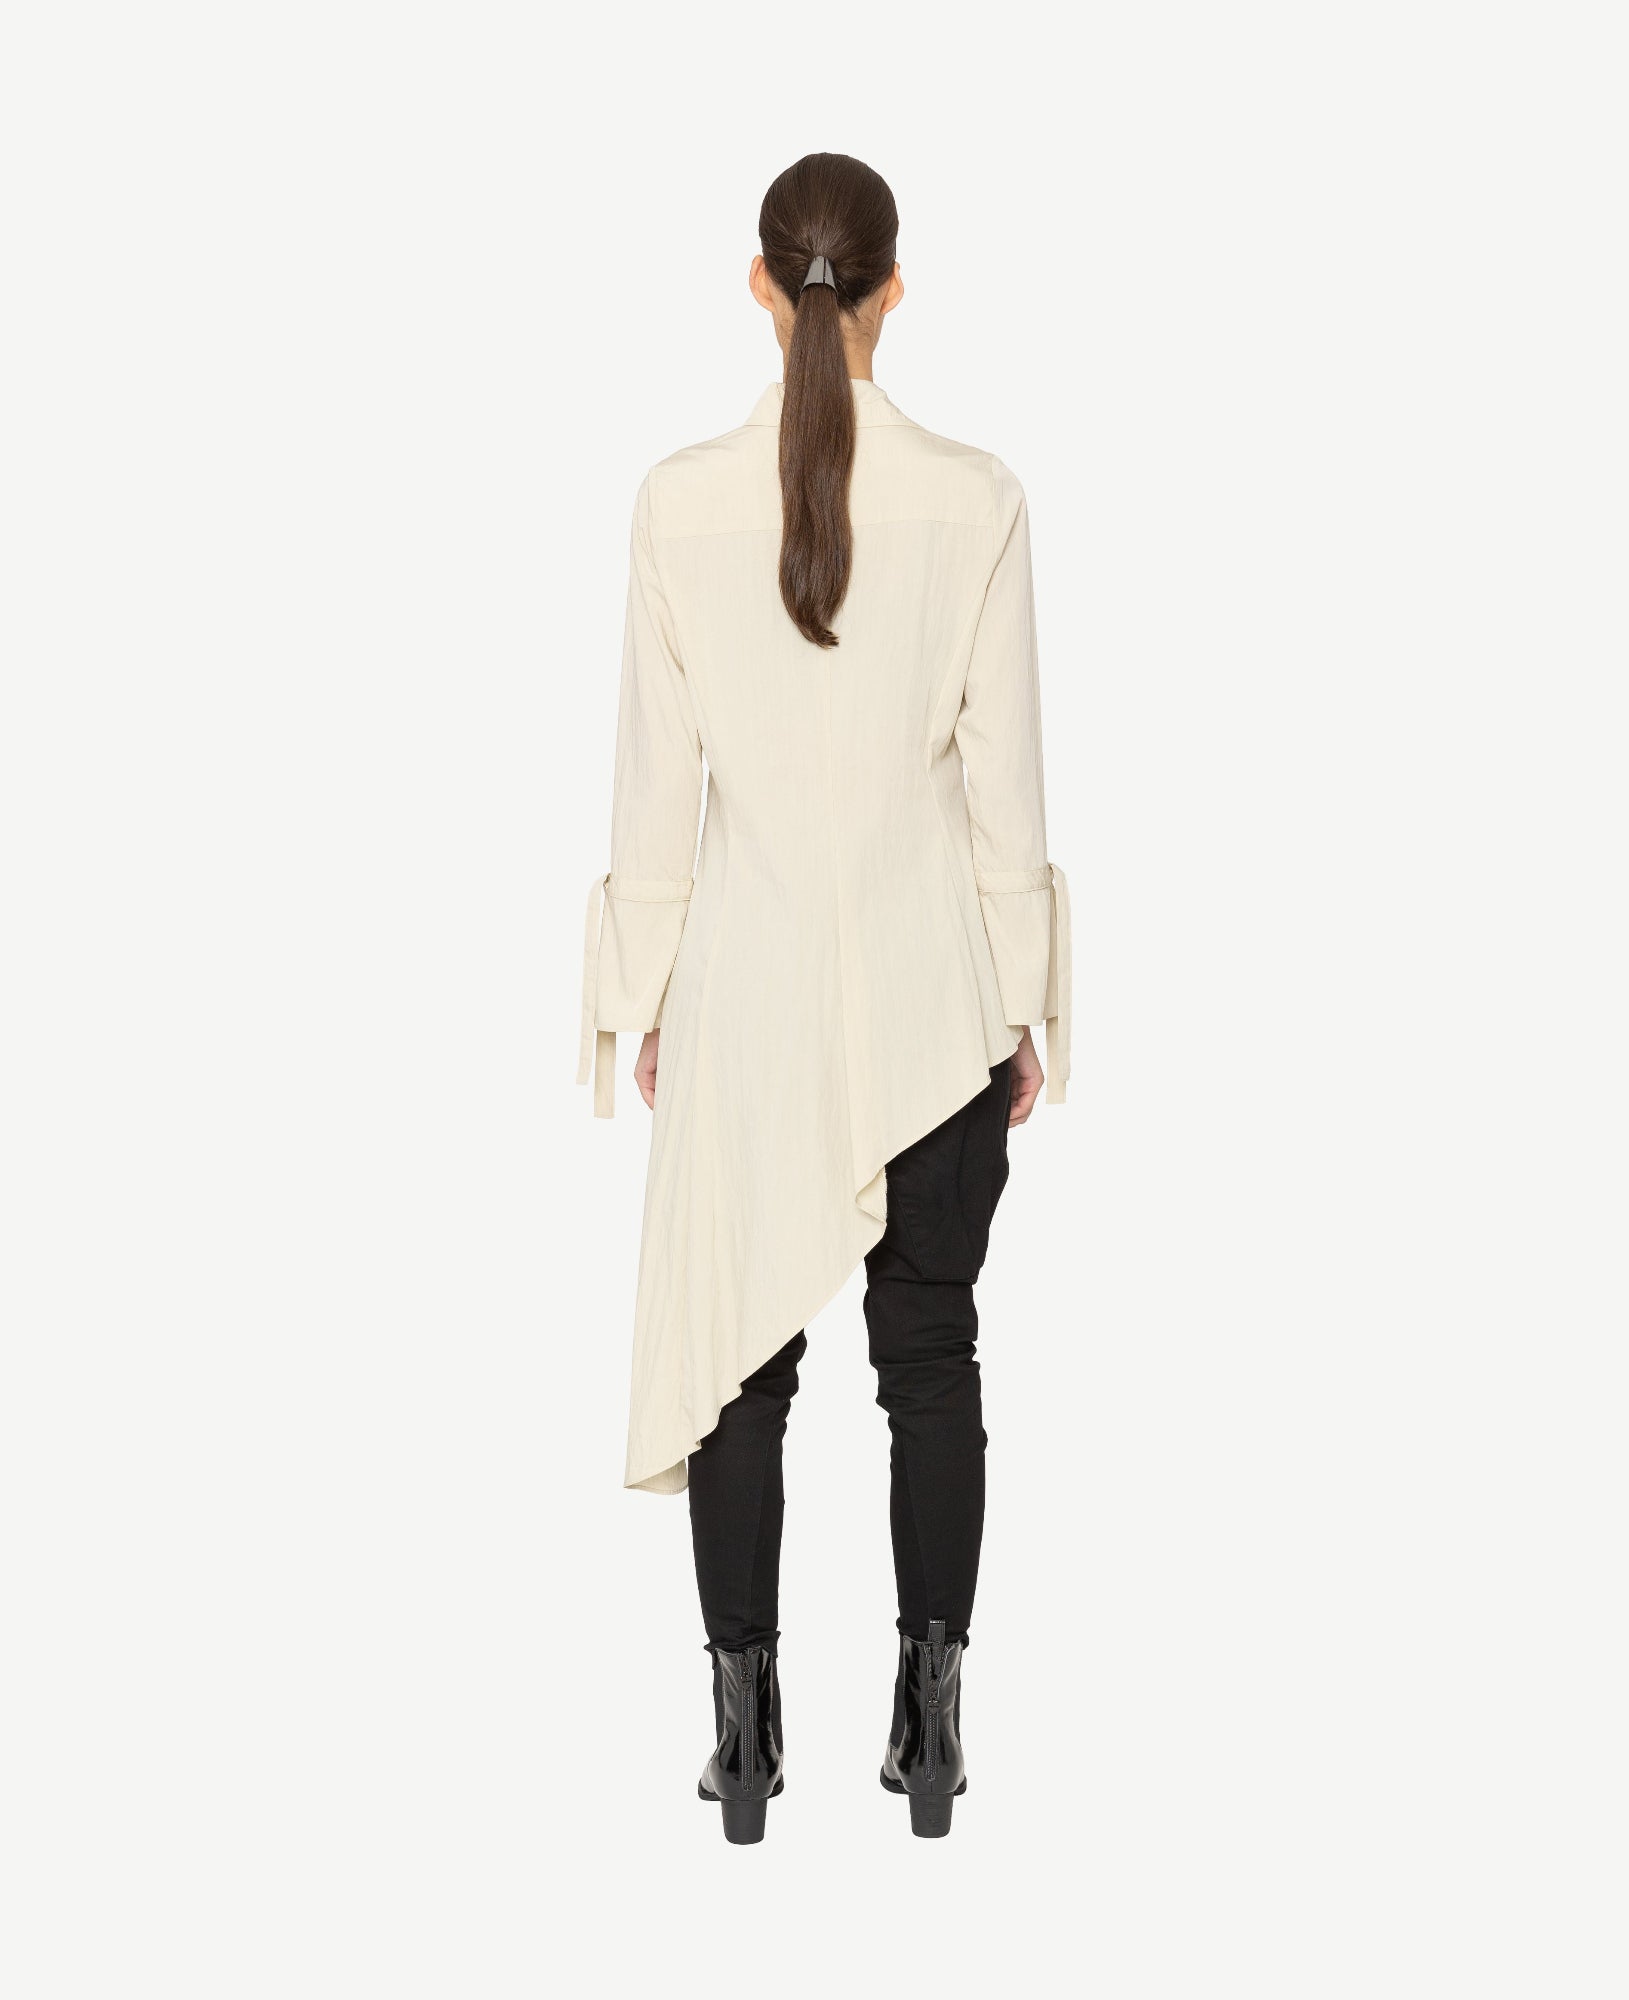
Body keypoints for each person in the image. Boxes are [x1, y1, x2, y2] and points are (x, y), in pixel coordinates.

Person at [578, 151, 1069, 1843]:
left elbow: (658, 791)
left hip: (749, 1003)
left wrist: (645, 993)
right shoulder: (979, 500)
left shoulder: (674, 505)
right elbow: (1004, 785)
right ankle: (932, 1726)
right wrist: (1023, 1001)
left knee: (739, 1369)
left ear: (759, 285)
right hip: (934, 996)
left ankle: (746, 1732)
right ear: (895, 290)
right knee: (932, 1359)